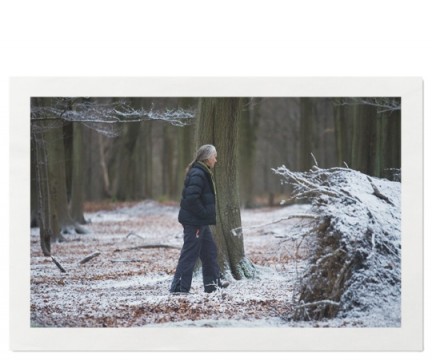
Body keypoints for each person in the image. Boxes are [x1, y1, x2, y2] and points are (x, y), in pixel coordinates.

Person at [170, 144, 228, 294]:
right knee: (190, 253)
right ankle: (178, 288)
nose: (216, 160)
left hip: (199, 222)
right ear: (208, 158)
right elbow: (191, 199)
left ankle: (212, 285)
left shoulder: (202, 171)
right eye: (214, 156)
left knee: (209, 252)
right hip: (194, 222)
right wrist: (203, 214)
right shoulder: (198, 173)